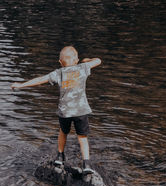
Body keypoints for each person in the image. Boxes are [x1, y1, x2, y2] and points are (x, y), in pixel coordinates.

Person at [11, 46, 101, 174]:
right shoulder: (83, 68)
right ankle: (86, 163)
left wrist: (21, 85)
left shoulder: (58, 73)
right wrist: (87, 60)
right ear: (77, 60)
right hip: (80, 111)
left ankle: (60, 156)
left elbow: (40, 80)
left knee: (63, 132)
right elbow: (98, 61)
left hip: (64, 112)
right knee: (82, 137)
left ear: (60, 62)